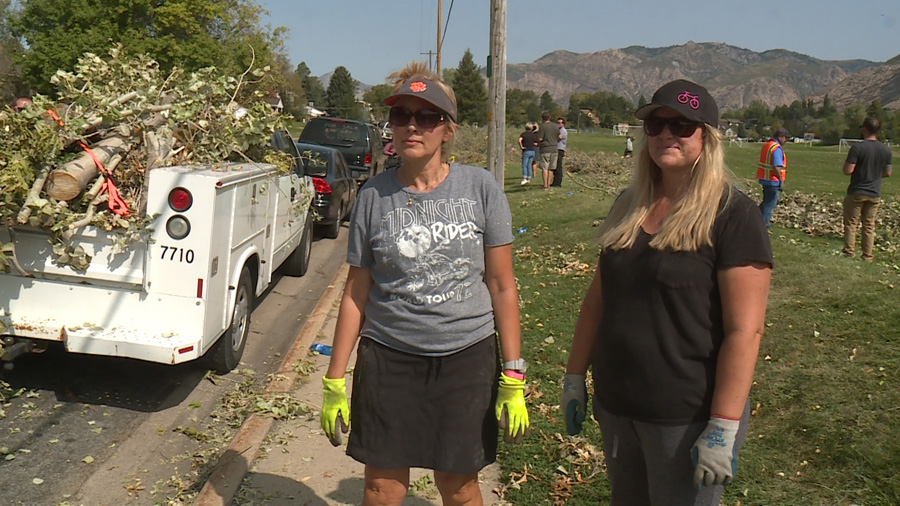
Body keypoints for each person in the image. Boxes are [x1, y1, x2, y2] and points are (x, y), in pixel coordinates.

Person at [320, 61, 529, 506]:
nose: (412, 126)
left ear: (448, 130)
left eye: (428, 117)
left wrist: (513, 373)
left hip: (465, 358)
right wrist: (334, 378)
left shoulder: (481, 188)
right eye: (401, 116)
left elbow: (502, 285)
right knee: (382, 486)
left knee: (458, 486)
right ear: (390, 126)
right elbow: (357, 292)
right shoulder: (373, 197)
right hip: (389, 358)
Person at [560, 79, 772, 506]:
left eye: (682, 125)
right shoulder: (628, 203)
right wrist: (574, 375)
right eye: (655, 124)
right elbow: (598, 300)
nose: (665, 134)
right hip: (619, 406)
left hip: (686, 418)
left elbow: (744, 331)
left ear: (707, 138)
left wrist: (723, 425)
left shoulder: (733, 214)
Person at [841, 117, 893, 261]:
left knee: (851, 223)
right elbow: (888, 172)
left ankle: (849, 253)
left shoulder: (858, 148)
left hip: (857, 190)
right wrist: (875, 174)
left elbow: (848, 170)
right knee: (869, 225)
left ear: (865, 129)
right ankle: (867, 255)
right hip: (874, 192)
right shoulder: (885, 150)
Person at [757, 127, 789, 229]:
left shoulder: (767, 145)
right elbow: (776, 166)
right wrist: (780, 180)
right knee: (769, 205)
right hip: (773, 180)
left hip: (764, 178)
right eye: (785, 138)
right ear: (780, 136)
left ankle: (757, 220)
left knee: (765, 202)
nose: (786, 140)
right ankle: (763, 226)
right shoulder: (776, 148)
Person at [536, 111, 560, 189]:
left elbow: (540, 138)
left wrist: (537, 141)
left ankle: (545, 184)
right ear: (549, 118)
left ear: (542, 118)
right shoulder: (555, 126)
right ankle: (549, 183)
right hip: (554, 149)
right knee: (551, 168)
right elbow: (560, 137)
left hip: (545, 149)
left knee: (544, 168)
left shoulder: (543, 126)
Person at [551, 117, 568, 187]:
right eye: (557, 123)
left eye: (560, 123)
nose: (558, 124)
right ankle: (555, 182)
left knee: (558, 166)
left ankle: (558, 183)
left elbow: (558, 138)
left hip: (560, 149)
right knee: (554, 167)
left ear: (563, 124)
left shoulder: (563, 131)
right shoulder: (557, 130)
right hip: (555, 149)